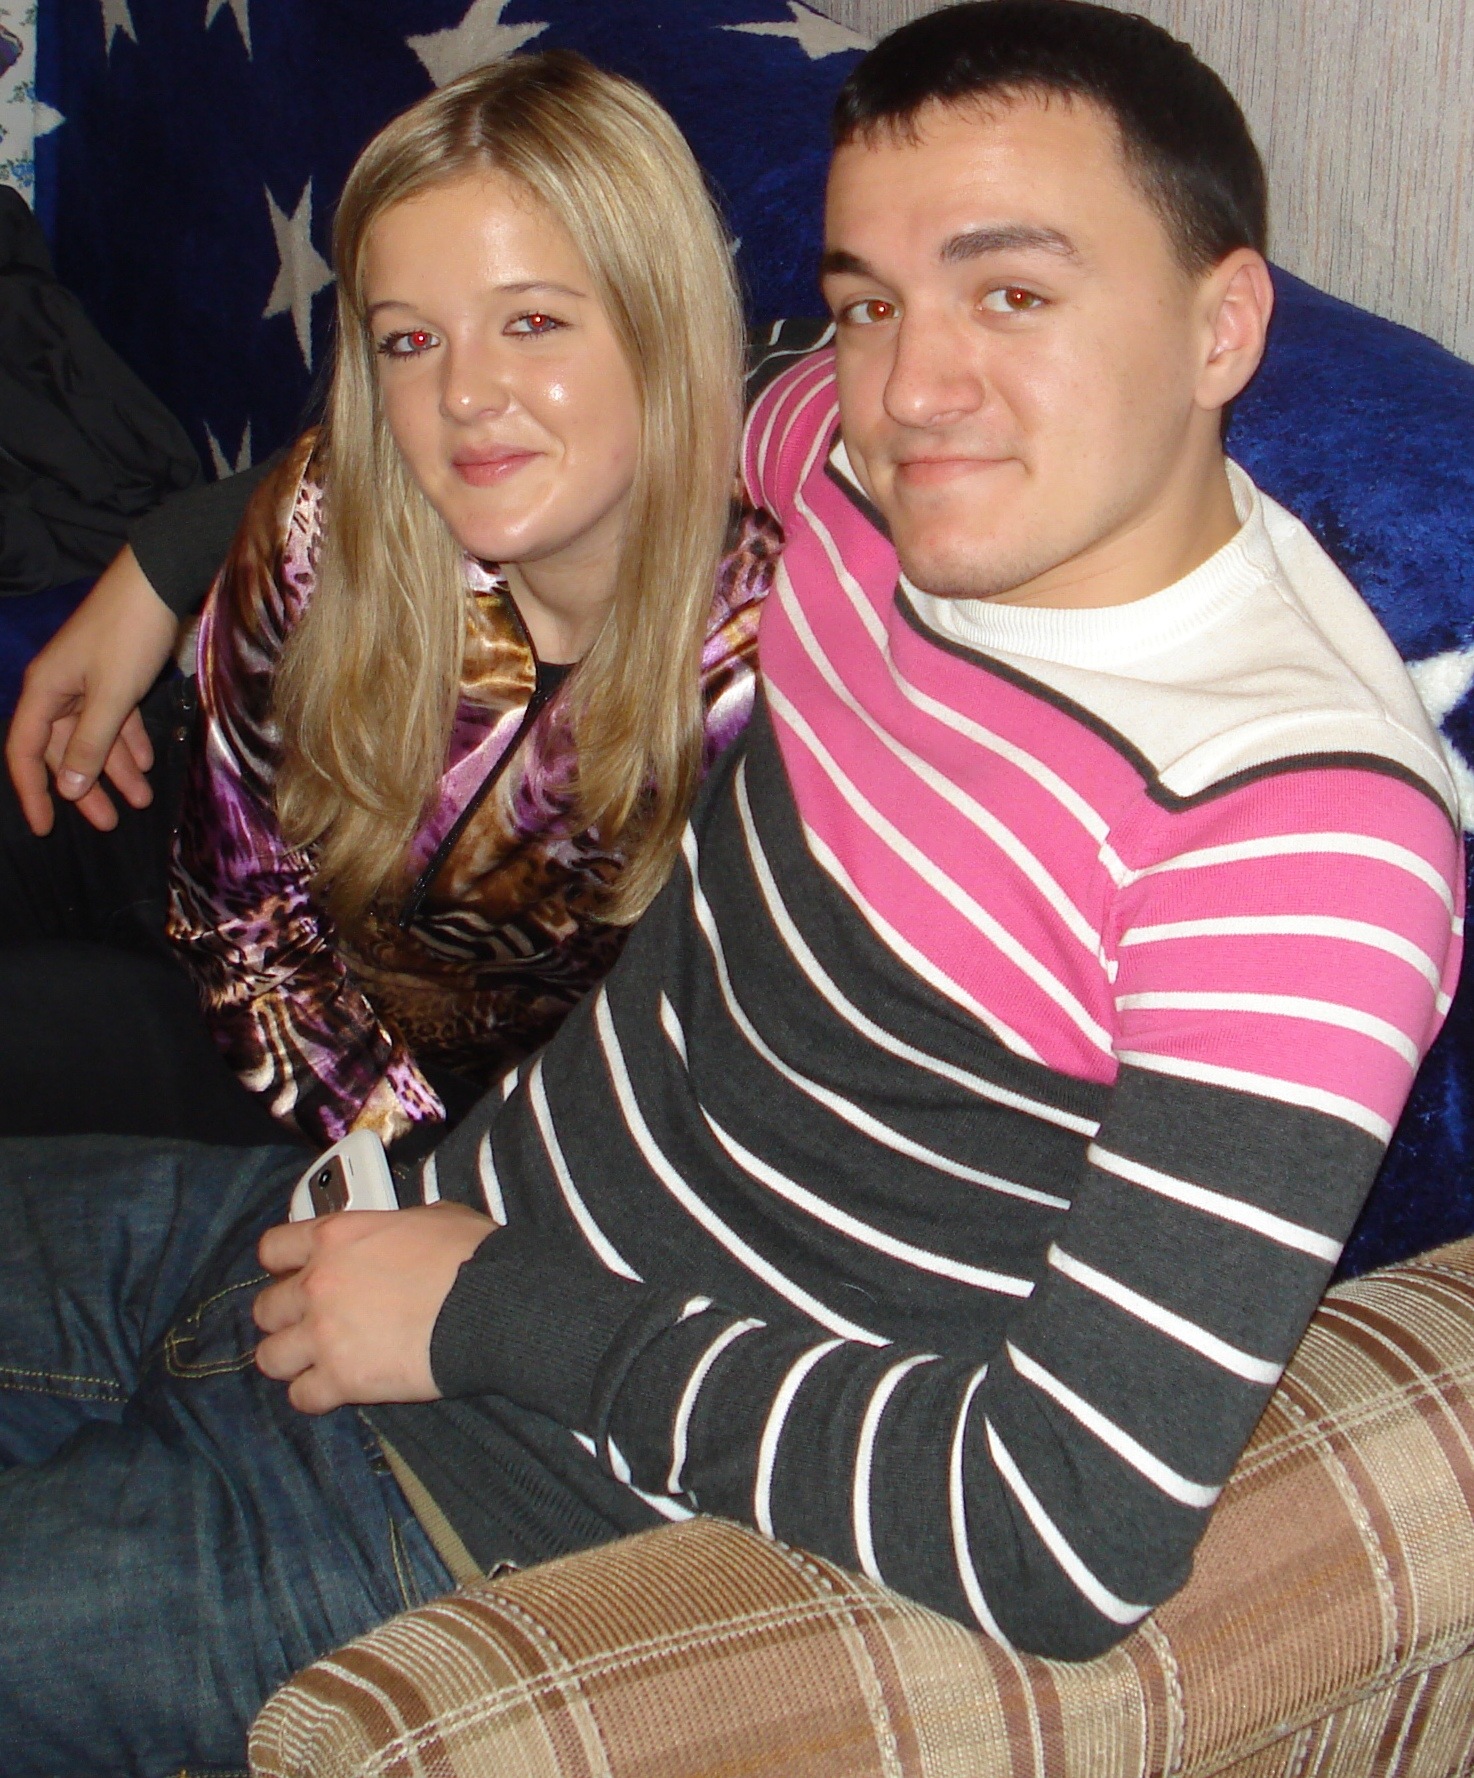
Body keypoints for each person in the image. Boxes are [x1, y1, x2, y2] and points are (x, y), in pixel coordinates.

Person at [0, 4, 1463, 1771]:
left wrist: (483, 1310)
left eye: (1011, 292)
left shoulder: (1288, 838)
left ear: (1220, 324)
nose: (913, 387)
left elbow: (1061, 1529)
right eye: (868, 302)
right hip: (355, 1217)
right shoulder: (849, 462)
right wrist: (164, 564)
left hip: (493, 1500)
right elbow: (550, 412)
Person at [0, 51, 772, 1148]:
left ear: (665, 326)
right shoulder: (326, 515)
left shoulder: (769, 656)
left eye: (532, 322)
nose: (462, 394)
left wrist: (406, 1168)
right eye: (411, 340)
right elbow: (236, 905)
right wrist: (163, 561)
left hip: (391, 1083)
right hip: (212, 881)